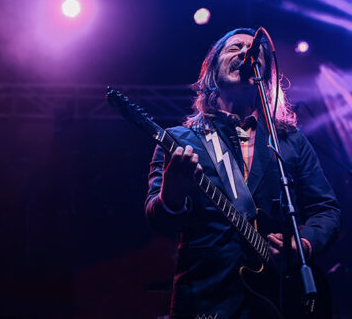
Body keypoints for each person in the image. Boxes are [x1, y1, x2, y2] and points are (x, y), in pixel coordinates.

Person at [145, 28, 341, 318]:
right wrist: (171, 194)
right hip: (206, 299)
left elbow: (326, 209)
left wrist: (304, 244)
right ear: (214, 68)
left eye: (254, 53)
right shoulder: (180, 140)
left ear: (264, 76)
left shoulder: (289, 140)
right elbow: (157, 218)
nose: (244, 54)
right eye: (234, 48)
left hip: (278, 299)